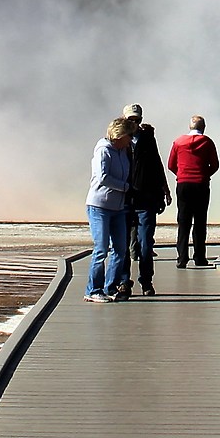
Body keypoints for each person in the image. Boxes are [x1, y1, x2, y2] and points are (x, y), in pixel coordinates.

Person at [85, 117, 135, 301]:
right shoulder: (103, 150)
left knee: (121, 249)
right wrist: (124, 187)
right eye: (129, 135)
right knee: (101, 249)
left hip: (118, 207)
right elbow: (102, 177)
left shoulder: (123, 151)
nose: (131, 139)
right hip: (100, 206)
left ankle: (110, 287)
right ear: (120, 135)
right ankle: (93, 290)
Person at [124, 103, 170, 296]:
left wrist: (164, 189)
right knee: (123, 244)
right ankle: (124, 281)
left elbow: (157, 164)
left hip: (146, 199)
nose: (134, 123)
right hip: (125, 200)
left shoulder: (148, 138)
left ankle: (146, 282)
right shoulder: (118, 138)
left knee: (146, 243)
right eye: (131, 119)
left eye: (137, 119)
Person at [168, 114, 219, 267]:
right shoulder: (207, 142)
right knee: (200, 221)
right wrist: (204, 175)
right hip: (201, 185)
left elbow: (171, 164)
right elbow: (215, 165)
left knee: (183, 221)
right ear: (203, 127)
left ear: (190, 127)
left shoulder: (178, 142)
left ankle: (182, 258)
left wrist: (182, 174)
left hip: (183, 184)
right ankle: (199, 257)